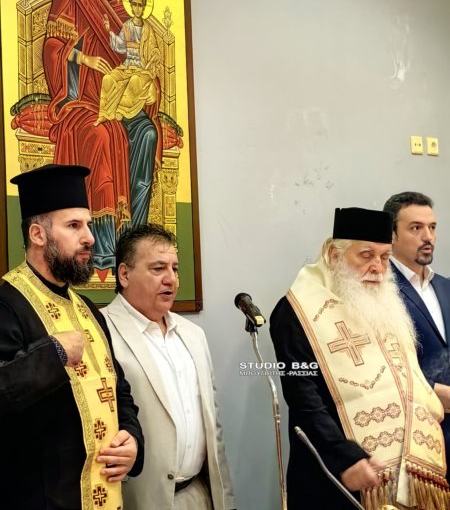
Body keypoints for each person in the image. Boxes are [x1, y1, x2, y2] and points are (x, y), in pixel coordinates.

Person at [270, 207, 449, 510]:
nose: (377, 267)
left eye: (384, 257)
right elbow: (304, 398)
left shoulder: (385, 303)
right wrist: (345, 456)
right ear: (334, 255)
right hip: (335, 475)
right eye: (366, 255)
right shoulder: (297, 312)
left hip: (406, 474)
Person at [0, 164, 144, 510]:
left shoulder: (88, 310)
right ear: (38, 235)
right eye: (74, 226)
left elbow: (119, 390)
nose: (90, 238)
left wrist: (132, 438)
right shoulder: (7, 303)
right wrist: (53, 353)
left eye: (88, 225)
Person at [43, 0, 161, 273]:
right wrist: (85, 59)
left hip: (120, 96)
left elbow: (138, 50)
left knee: (147, 133)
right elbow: (52, 46)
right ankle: (105, 246)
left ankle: (135, 237)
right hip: (82, 98)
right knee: (102, 133)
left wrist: (142, 78)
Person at [102, 224, 236, 510]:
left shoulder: (193, 335)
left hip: (198, 494)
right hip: (137, 499)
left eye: (175, 269)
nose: (171, 279)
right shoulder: (101, 332)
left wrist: (225, 499)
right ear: (124, 274)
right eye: (158, 268)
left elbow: (213, 427)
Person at [384, 192, 450, 477]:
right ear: (392, 235)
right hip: (412, 439)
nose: (428, 237)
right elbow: (381, 363)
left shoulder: (446, 287)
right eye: (416, 228)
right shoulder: (378, 291)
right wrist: (435, 393)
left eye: (432, 227)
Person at [96, 0, 161, 125]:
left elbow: (154, 53)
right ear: (131, 6)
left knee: (135, 80)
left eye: (140, 5)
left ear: (144, 8)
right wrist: (108, 30)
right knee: (108, 78)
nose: (137, 8)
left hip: (142, 70)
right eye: (134, 4)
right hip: (127, 67)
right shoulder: (127, 26)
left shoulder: (148, 30)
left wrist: (150, 75)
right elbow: (120, 46)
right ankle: (104, 113)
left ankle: (121, 111)